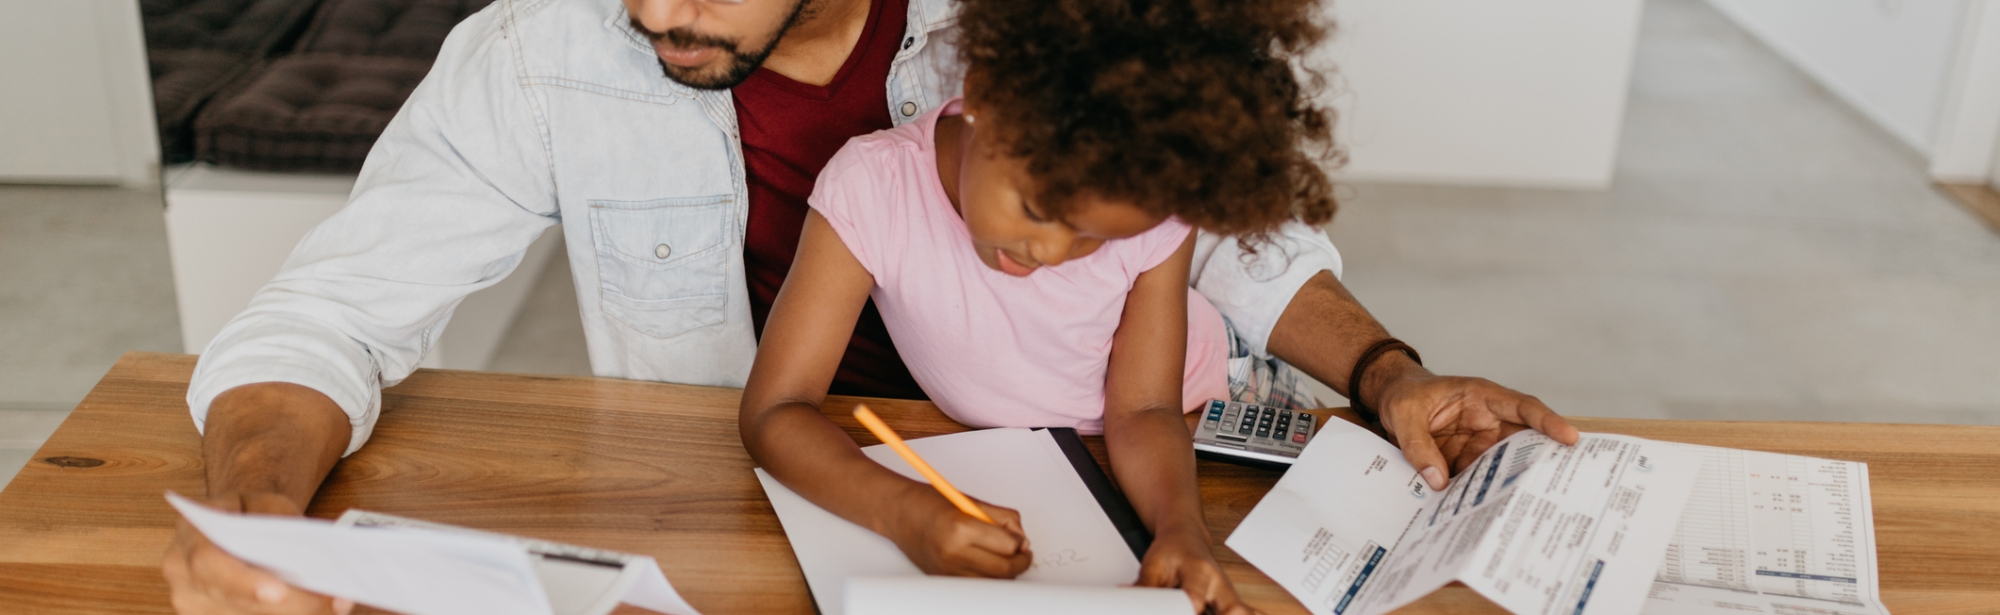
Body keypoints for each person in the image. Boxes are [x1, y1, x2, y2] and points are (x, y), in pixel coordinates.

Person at [161, 0, 1580, 612]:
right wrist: (258, 522)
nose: (657, 11)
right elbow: (326, 317)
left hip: (1069, 507)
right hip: (759, 515)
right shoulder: (539, 54)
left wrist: (1389, 371)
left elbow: (1226, 241)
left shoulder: (1033, 41)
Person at [742, 0, 1334, 610]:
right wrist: (904, 512)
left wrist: (1182, 533)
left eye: (1095, 237)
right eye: (1035, 208)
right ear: (984, 95)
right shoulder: (871, 190)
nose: (1050, 251)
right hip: (1073, 458)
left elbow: (1146, 408)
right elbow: (775, 410)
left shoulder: (1154, 203)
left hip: (1223, 401)